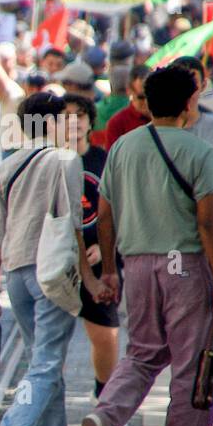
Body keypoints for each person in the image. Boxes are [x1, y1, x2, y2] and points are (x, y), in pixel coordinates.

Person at [82, 66, 213, 426]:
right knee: (192, 362)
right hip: (185, 264)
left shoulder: (123, 146)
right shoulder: (198, 150)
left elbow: (104, 216)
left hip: (137, 262)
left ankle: (104, 417)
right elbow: (208, 223)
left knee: (142, 354)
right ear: (189, 102)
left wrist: (110, 270)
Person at [0, 91, 107, 426]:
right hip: (50, 273)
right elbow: (73, 227)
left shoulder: (6, 166)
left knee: (43, 361)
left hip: (15, 275)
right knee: (48, 361)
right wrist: (89, 279)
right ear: (50, 123)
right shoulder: (66, 160)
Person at [63, 94, 120, 400]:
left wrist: (104, 247)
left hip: (98, 259)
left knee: (106, 335)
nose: (74, 122)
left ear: (89, 122)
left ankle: (104, 399)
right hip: (59, 262)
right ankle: (50, 400)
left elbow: (119, 208)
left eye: (80, 116)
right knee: (50, 339)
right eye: (67, 116)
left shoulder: (103, 159)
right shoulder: (49, 160)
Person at [101, 63, 150, 149]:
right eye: (141, 97)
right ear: (129, 91)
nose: (147, 102)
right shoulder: (117, 123)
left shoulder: (167, 117)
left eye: (152, 95)